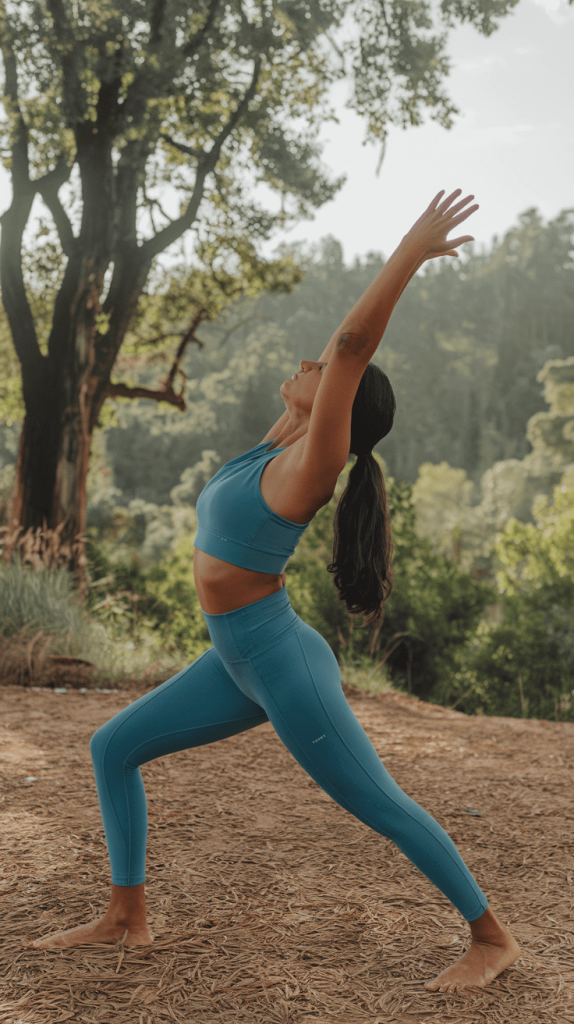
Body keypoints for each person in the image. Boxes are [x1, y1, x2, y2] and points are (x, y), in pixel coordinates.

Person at [33, 189, 520, 993]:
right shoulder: (274, 447)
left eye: (320, 370)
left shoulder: (310, 467)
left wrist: (407, 250)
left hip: (279, 661)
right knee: (113, 747)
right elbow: (337, 356)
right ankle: (127, 917)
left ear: (338, 407)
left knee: (380, 804)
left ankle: (492, 936)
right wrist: (328, 370)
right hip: (234, 654)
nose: (307, 363)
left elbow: (355, 343)